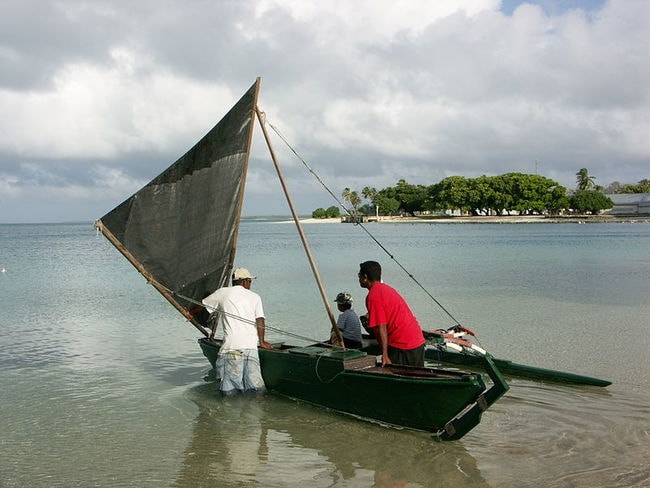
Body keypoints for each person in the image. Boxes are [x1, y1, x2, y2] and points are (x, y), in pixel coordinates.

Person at [202, 267, 273, 395]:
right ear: (244, 281)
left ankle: (230, 413)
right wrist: (262, 342)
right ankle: (257, 412)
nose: (250, 284)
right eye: (250, 281)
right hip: (251, 348)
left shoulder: (223, 292)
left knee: (231, 391)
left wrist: (191, 313)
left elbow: (203, 306)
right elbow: (260, 320)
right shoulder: (255, 297)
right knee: (255, 388)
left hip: (232, 348)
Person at [358, 260, 425, 367]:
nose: (359, 279)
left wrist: (384, 354)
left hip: (402, 345)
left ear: (365, 277)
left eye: (359, 275)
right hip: (417, 340)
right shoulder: (387, 289)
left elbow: (382, 327)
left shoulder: (373, 296)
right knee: (418, 377)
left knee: (398, 378)